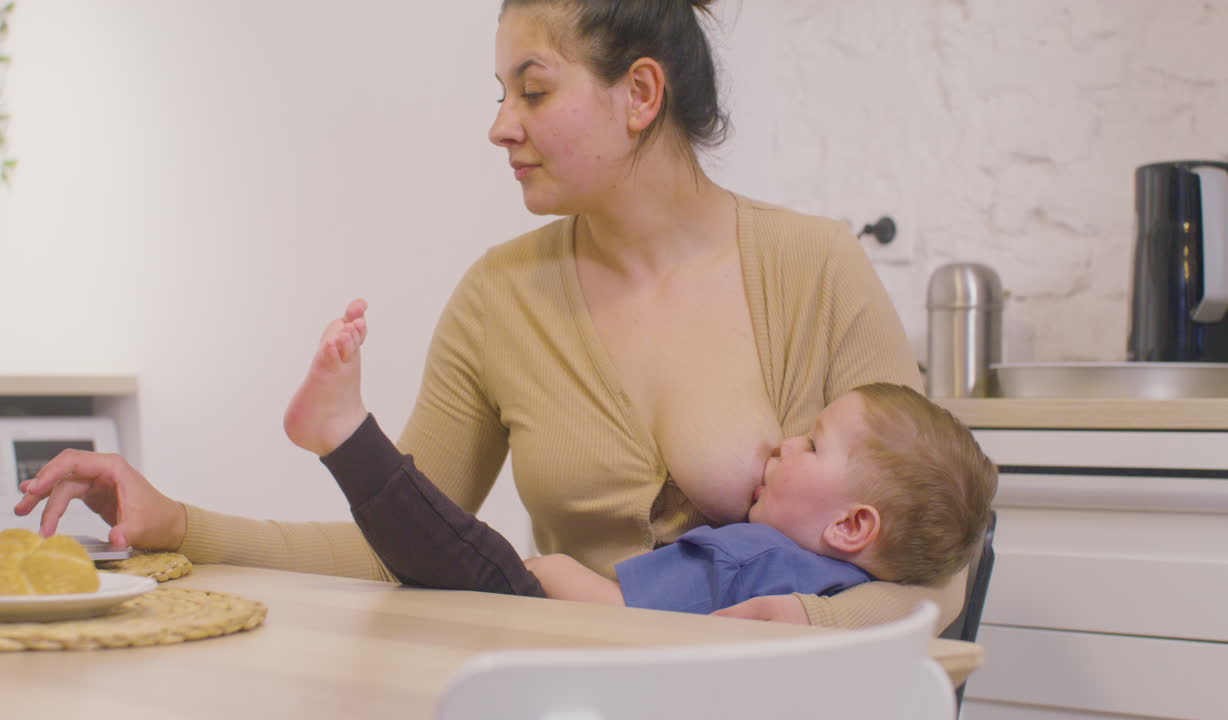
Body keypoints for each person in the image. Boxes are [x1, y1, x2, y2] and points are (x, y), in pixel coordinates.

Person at [13, 0, 966, 629]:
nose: (500, 124)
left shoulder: (812, 269)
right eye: (501, 92)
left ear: (640, 93)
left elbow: (934, 571)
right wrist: (178, 518)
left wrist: (758, 636)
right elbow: (408, 537)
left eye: (534, 89)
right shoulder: (499, 297)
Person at [285, 299, 997, 615]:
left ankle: (347, 435)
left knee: (454, 552)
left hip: (579, 652)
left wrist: (555, 571)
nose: (785, 441)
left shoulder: (750, 558)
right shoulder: (834, 593)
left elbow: (622, 609)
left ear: (851, 526)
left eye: (812, 445)